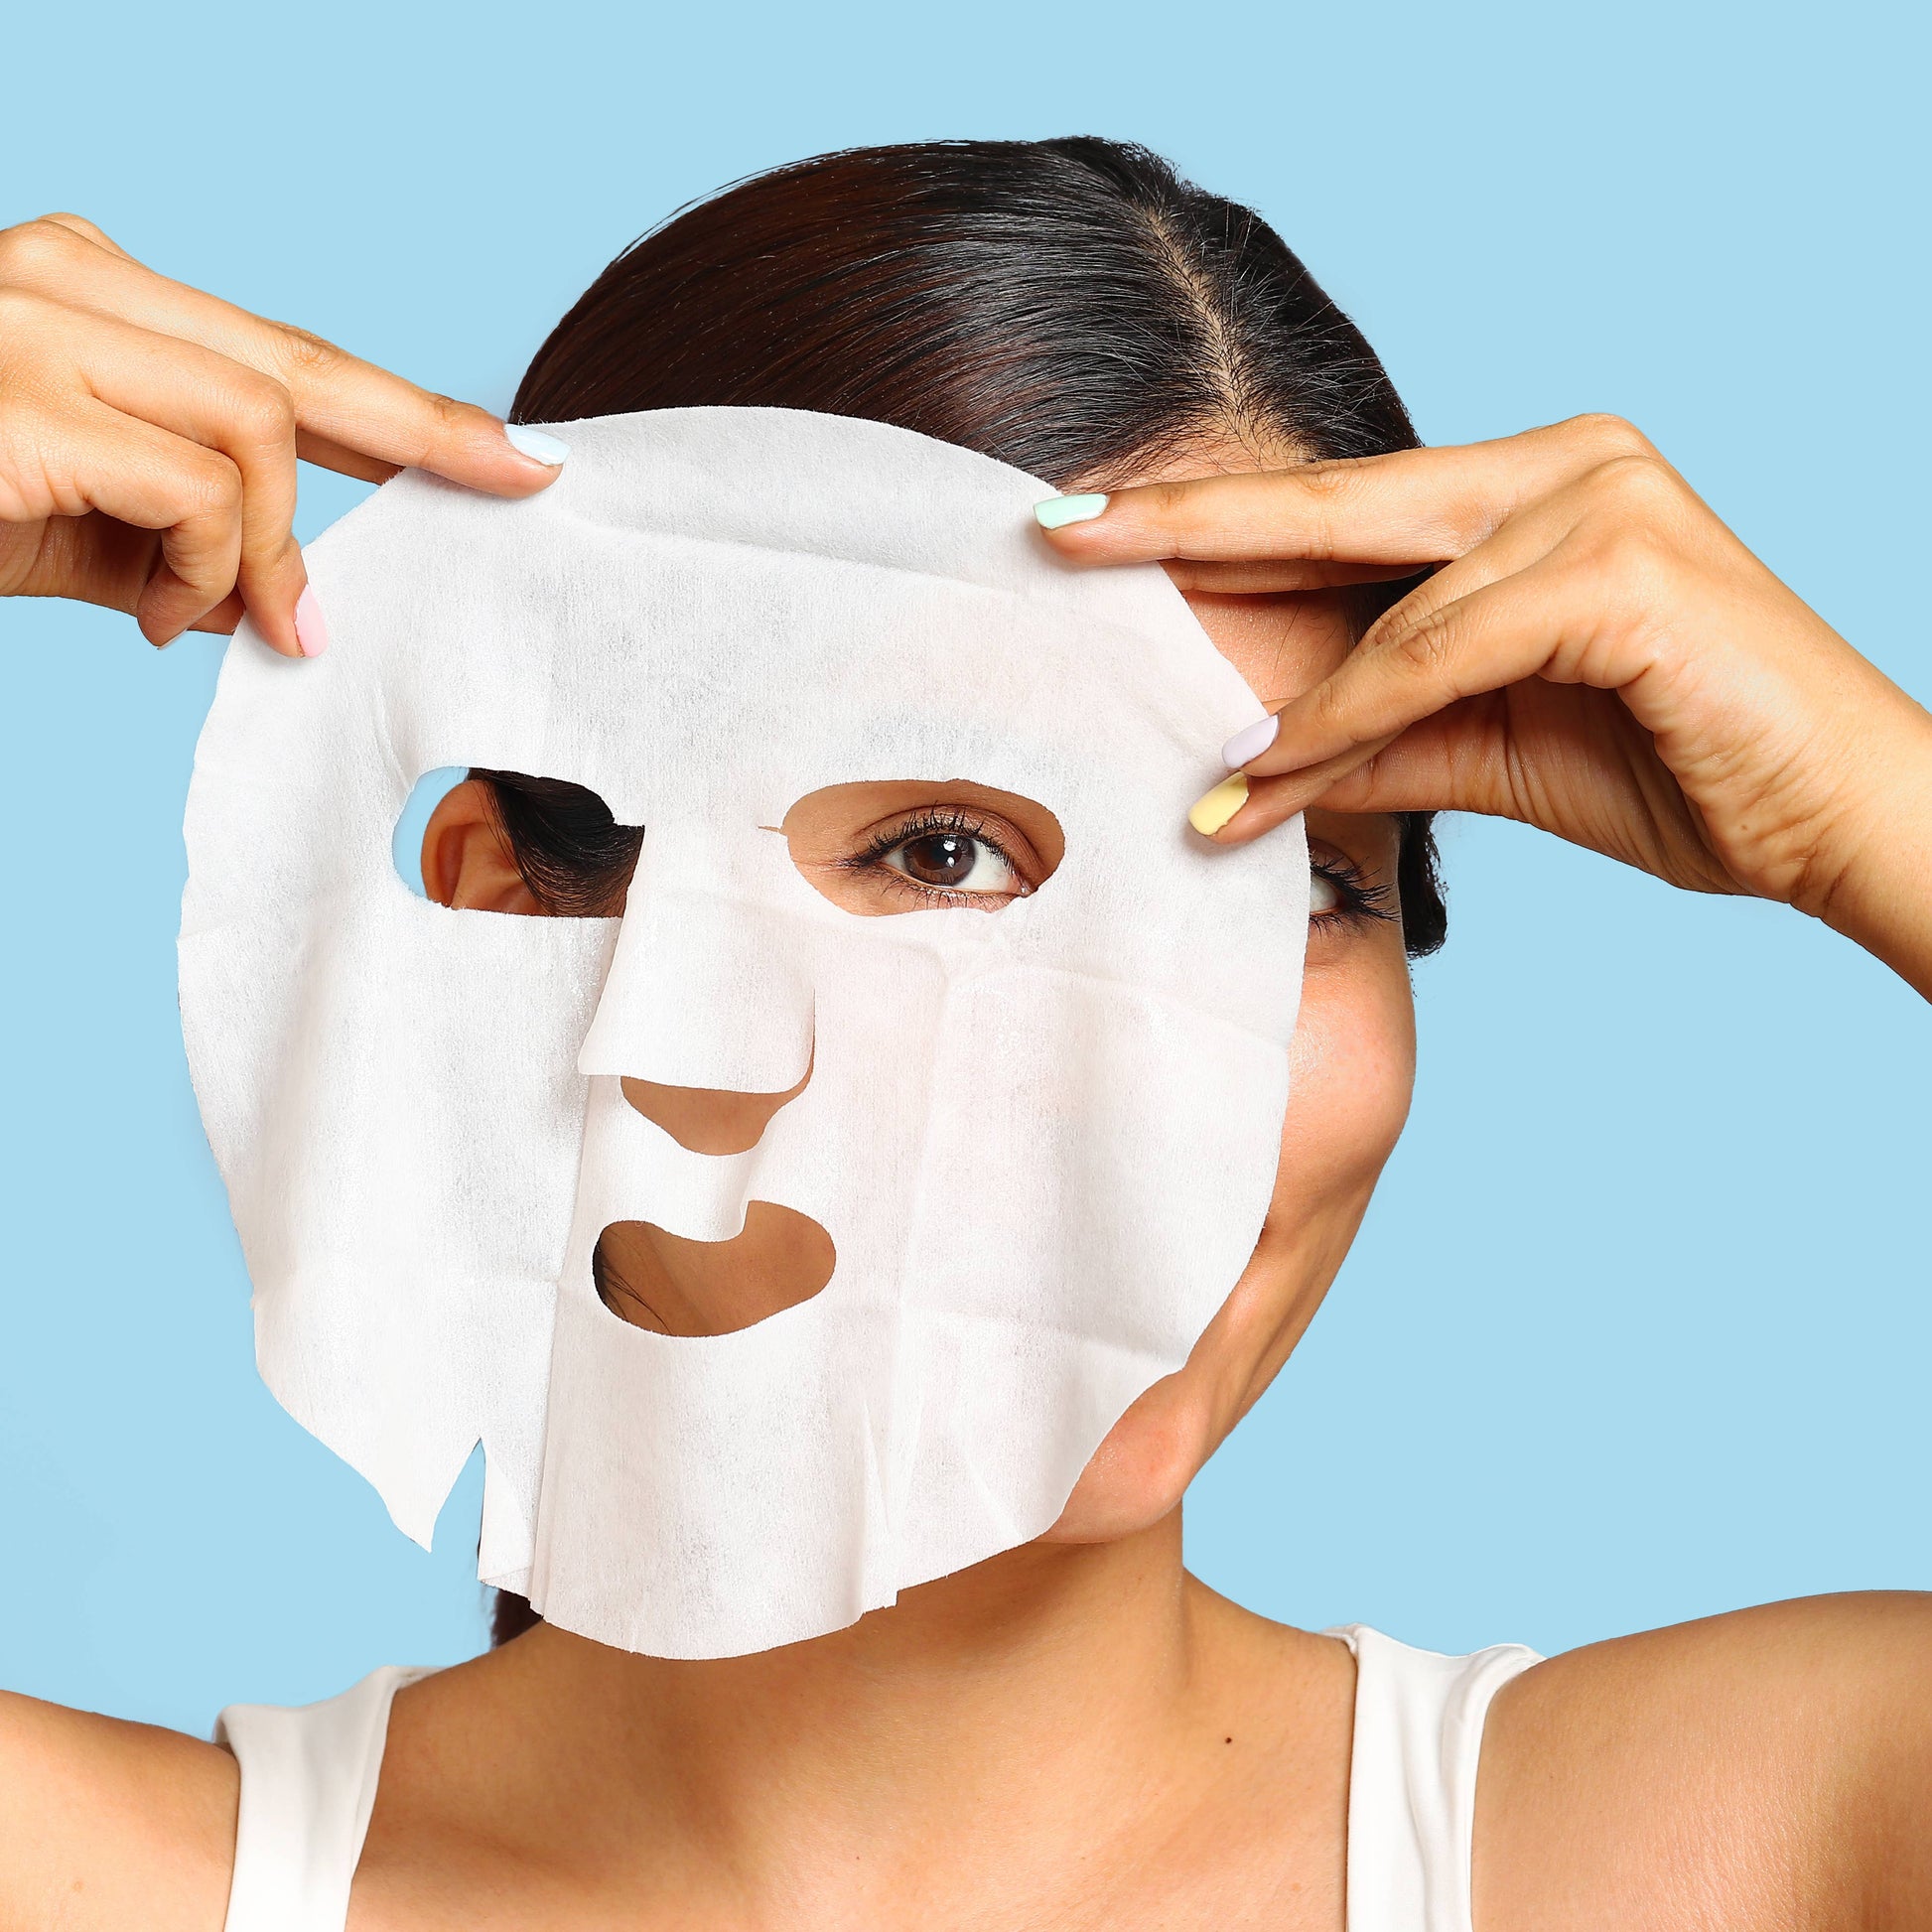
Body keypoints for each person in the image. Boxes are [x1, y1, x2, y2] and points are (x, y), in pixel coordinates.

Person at [1, 139, 1927, 1932]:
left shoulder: (1752, 1841)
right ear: (516, 926)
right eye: (948, 849)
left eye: (1309, 881)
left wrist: (1879, 811)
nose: (1161, 1070)